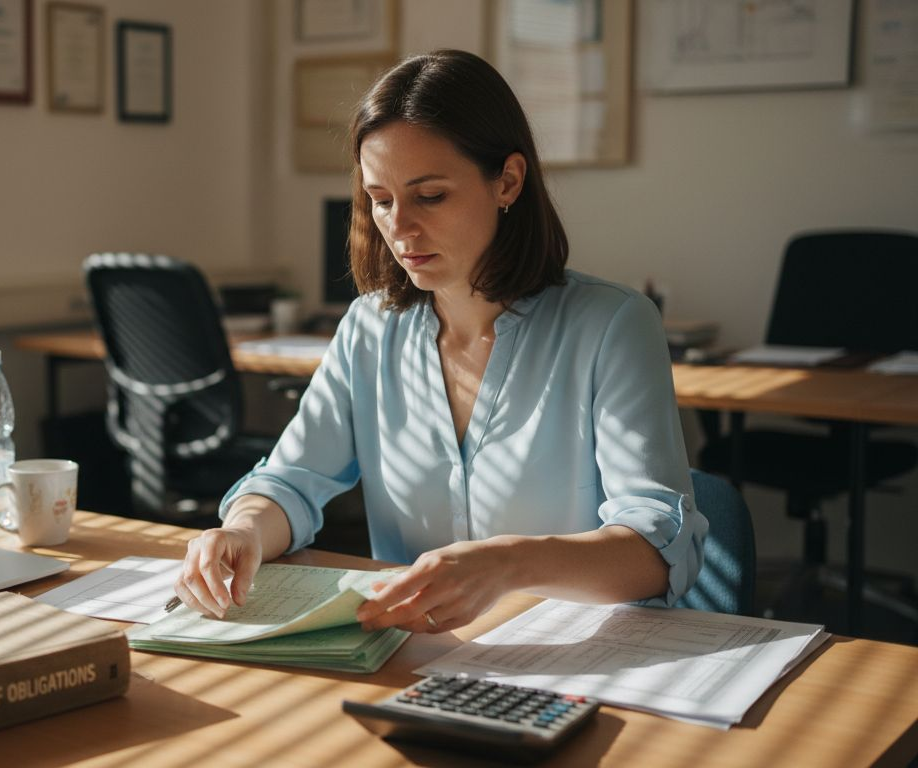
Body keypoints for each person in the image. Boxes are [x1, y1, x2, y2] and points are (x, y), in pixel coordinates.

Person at [173, 49, 706, 634]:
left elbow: (658, 552)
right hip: (407, 652)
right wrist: (244, 528)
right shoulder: (369, 328)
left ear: (507, 181)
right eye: (380, 200)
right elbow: (290, 480)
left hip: (569, 656)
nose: (399, 228)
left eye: (430, 196)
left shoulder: (613, 325)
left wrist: (506, 565)